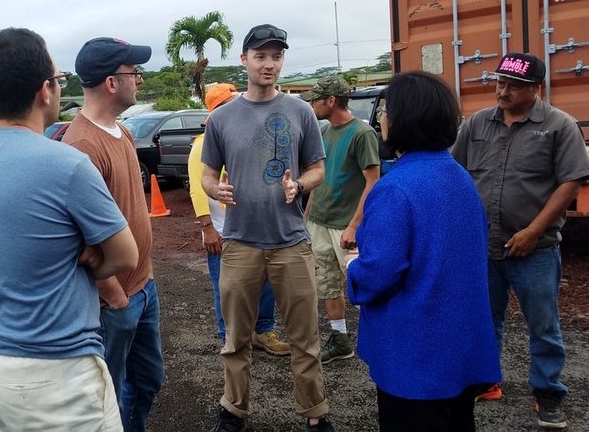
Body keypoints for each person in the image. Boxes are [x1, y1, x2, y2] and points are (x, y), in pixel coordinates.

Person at [0, 27, 139, 432]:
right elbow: (126, 256)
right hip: (56, 372)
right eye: (58, 79)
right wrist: (88, 266)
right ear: (44, 91)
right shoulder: (65, 165)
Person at [346, 71, 502, 431]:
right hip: (458, 347)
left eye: (386, 111)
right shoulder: (459, 176)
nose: (382, 118)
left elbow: (380, 272)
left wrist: (353, 271)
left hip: (414, 353)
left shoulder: (394, 188)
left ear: (401, 120)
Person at [201, 24, 332, 432]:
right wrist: (216, 188)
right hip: (239, 242)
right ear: (245, 61)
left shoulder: (301, 112)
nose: (269, 64)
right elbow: (206, 175)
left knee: (304, 338)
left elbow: (318, 168)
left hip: (291, 241)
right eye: (261, 56)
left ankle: (315, 414)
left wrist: (301, 184)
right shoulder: (221, 118)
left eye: (276, 56)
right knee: (236, 338)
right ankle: (233, 410)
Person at [451, 52, 589, 429]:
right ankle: (487, 381)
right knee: (484, 318)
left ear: (535, 89)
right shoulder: (478, 122)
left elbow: (571, 182)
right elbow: (456, 172)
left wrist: (533, 231)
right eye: (500, 82)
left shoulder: (559, 125)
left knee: (543, 325)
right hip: (484, 245)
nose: (503, 91)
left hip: (535, 249)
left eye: (513, 85)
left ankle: (548, 392)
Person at [62, 37, 165, 432]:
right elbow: (78, 241)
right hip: (116, 299)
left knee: (146, 380)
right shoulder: (83, 145)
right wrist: (115, 296)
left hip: (142, 284)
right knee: (106, 394)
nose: (139, 78)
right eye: (133, 72)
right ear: (111, 82)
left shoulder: (118, 130)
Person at [188, 83, 291, 356]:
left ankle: (263, 330)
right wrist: (208, 229)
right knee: (227, 288)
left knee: (265, 283)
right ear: (219, 110)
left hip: (257, 227)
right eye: (231, 102)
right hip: (223, 231)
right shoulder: (202, 144)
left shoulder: (249, 138)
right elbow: (198, 189)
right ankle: (230, 337)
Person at [301, 76, 380, 364]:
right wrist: (307, 215)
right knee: (328, 284)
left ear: (331, 100)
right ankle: (341, 340)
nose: (312, 105)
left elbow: (373, 182)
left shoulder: (362, 133)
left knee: (364, 283)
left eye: (316, 99)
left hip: (346, 226)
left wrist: (355, 225)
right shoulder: (324, 132)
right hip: (320, 222)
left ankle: (382, 342)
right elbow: (320, 178)